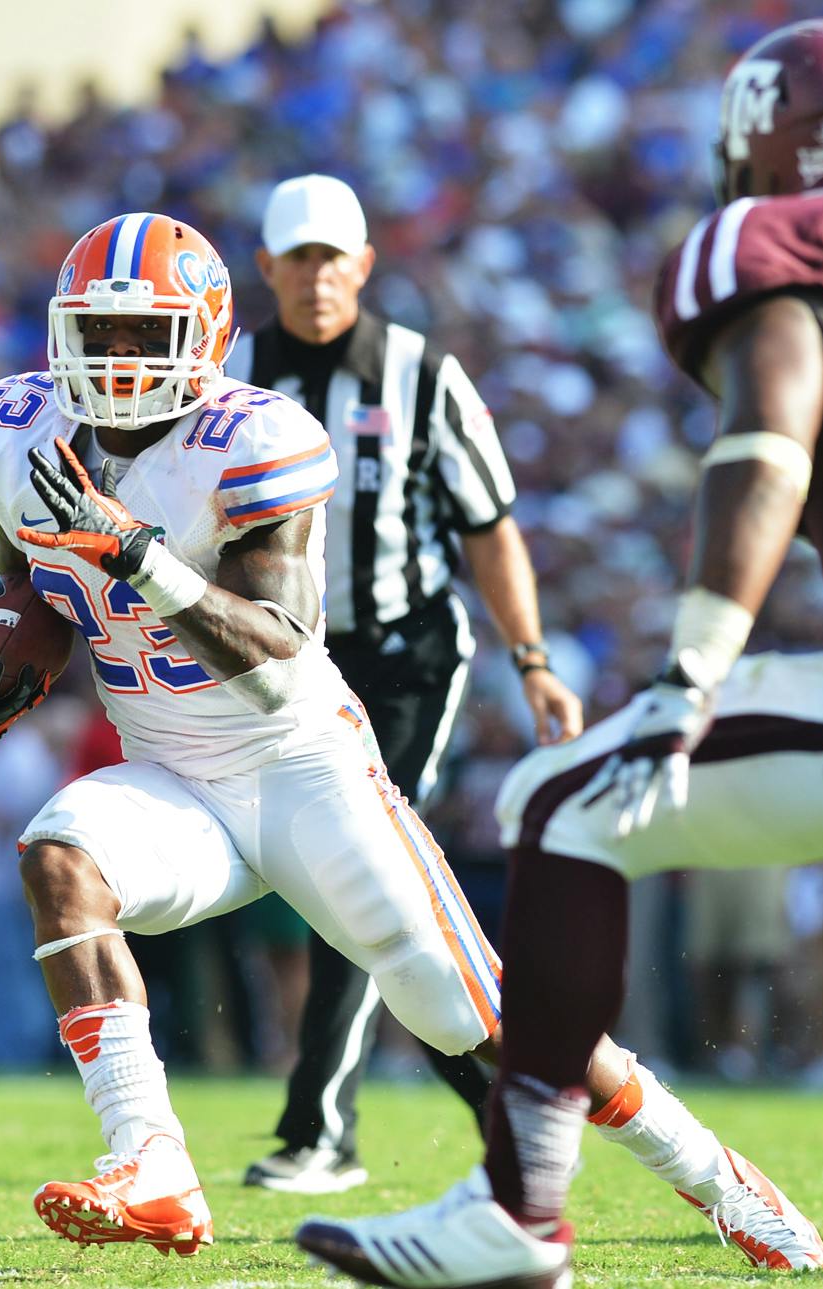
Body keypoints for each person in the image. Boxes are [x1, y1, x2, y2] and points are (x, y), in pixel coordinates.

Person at [0, 211, 820, 1268]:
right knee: (58, 858)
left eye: (146, 333)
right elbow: (20, 572)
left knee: (487, 1017)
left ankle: (714, 1172)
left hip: (303, 769)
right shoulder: (10, 433)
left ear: (207, 335)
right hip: (170, 775)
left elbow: (273, 654)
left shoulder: (253, 438)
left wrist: (134, 552)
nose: (120, 359)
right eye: (101, 333)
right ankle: (155, 1166)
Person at [295, 15, 823, 1281]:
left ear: (763, 142)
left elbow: (767, 442)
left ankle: (517, 1213)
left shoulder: (777, 243)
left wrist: (692, 668)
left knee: (566, 798)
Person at [227, 172, 583, 1193]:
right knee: (348, 876)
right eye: (296, 257)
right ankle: (502, 1093)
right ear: (267, 267)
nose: (314, 276)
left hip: (405, 652)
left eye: (330, 256)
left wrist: (534, 660)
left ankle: (320, 1127)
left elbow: (489, 526)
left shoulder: (423, 374)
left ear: (364, 265)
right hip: (279, 656)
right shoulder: (233, 373)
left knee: (358, 861)